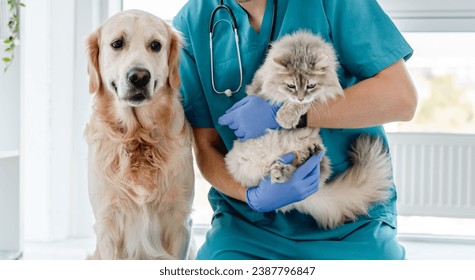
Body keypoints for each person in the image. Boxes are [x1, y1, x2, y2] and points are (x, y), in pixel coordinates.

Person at [172, 0, 417, 260]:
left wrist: (293, 114)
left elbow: (401, 99)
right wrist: (253, 197)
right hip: (247, 223)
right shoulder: (193, 21)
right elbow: (206, 148)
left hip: (351, 219)